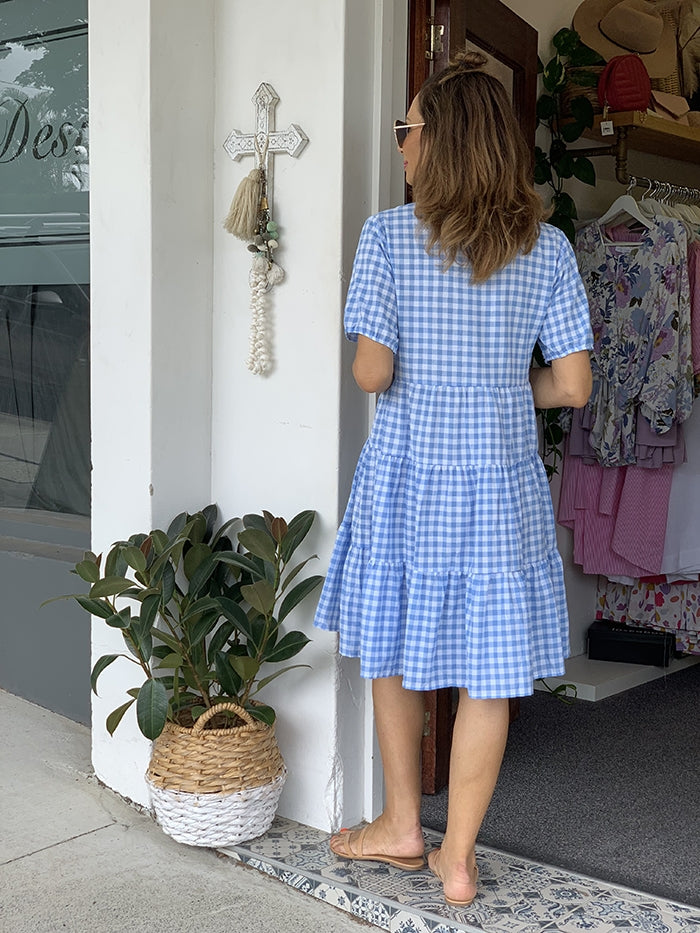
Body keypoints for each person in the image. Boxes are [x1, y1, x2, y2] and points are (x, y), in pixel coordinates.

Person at [313, 50, 593, 907]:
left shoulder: (389, 236)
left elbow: (369, 372)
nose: (400, 142)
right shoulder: (544, 249)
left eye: (408, 127)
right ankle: (459, 856)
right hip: (500, 482)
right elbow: (574, 385)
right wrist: (511, 385)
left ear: (440, 142)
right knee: (491, 670)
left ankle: (402, 823)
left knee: (390, 643)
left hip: (408, 475)